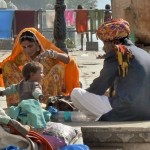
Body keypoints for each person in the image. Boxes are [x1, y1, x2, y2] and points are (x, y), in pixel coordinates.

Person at [71, 18, 150, 121]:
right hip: (147, 113)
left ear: (114, 42)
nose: (104, 48)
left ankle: (99, 117)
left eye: (105, 43)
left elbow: (98, 87)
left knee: (76, 93)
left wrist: (83, 97)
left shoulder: (117, 52)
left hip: (125, 111)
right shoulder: (144, 53)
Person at [0, 27, 80, 106]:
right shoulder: (23, 56)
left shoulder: (47, 55)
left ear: (37, 44)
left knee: (59, 68)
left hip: (46, 90)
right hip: (27, 89)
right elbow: (9, 67)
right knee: (7, 65)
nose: (27, 50)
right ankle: (15, 104)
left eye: (30, 46)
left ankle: (49, 103)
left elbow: (69, 61)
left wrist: (52, 54)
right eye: (24, 47)